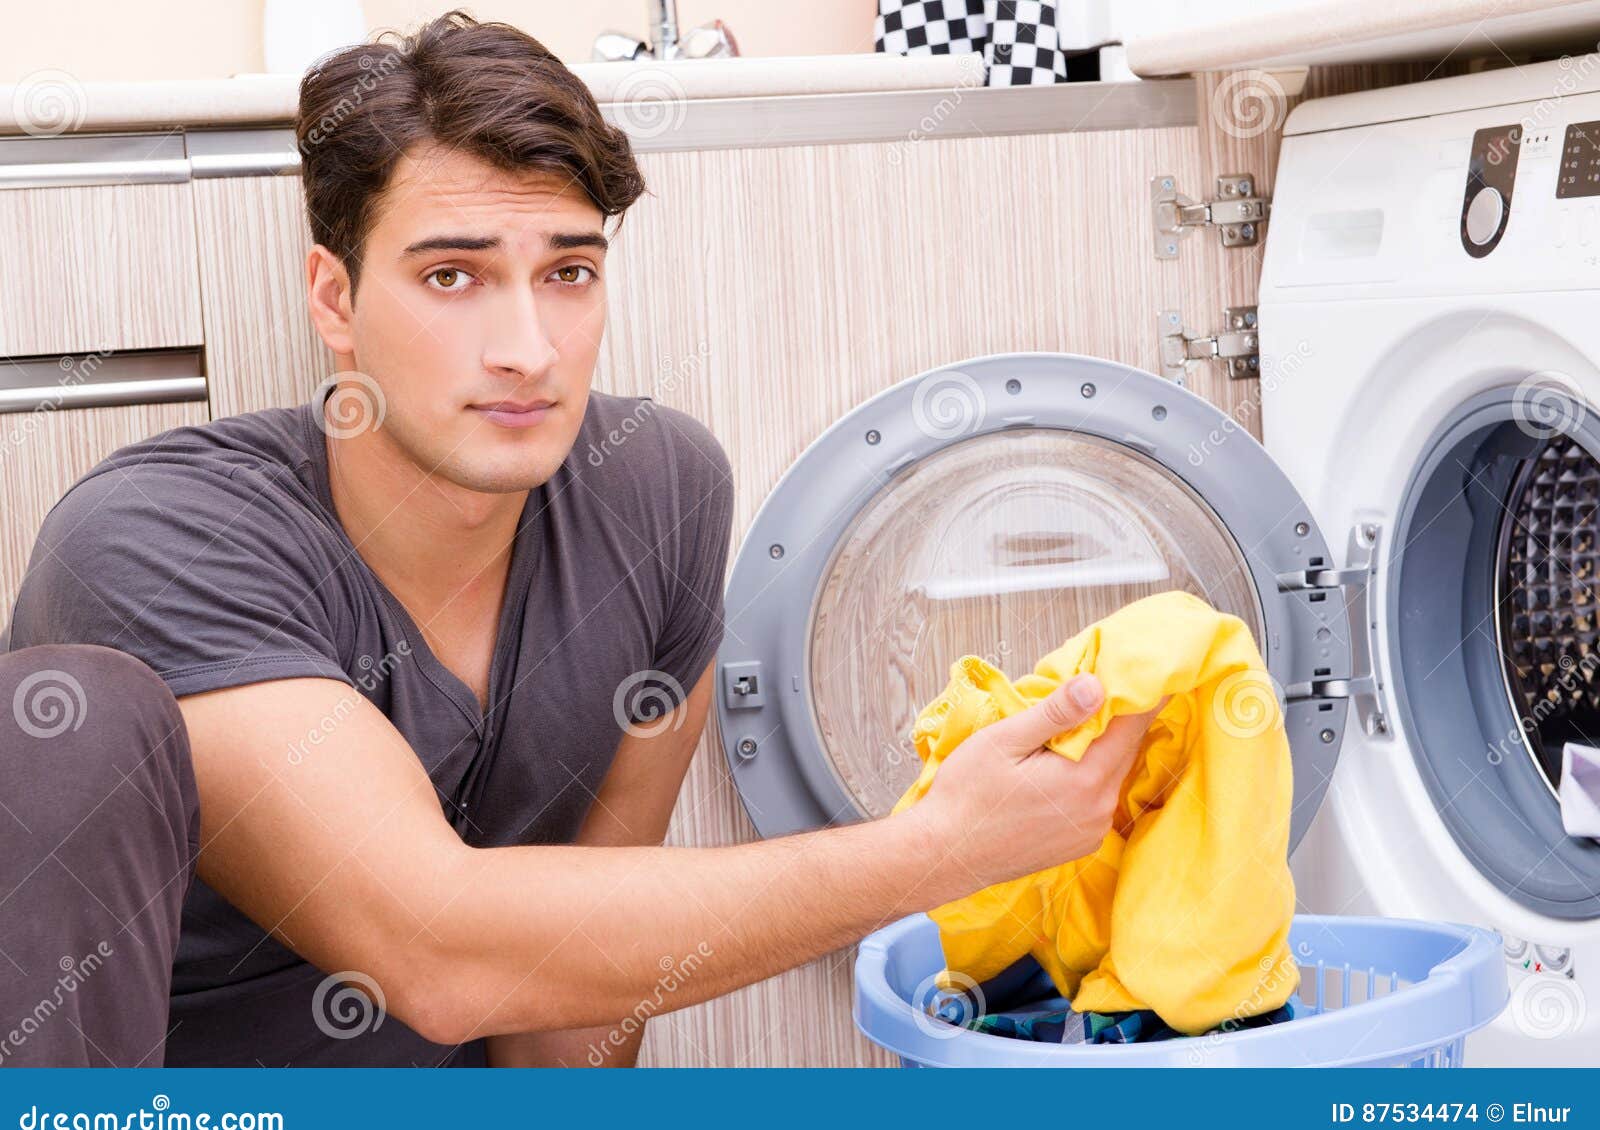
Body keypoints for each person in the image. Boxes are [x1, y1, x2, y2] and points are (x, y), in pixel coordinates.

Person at [0, 11, 1160, 1067]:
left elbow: (580, 1003)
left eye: (567, 272)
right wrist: (941, 849)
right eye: (451, 275)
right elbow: (436, 954)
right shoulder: (161, 540)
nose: (527, 348)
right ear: (335, 300)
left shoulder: (656, 494)